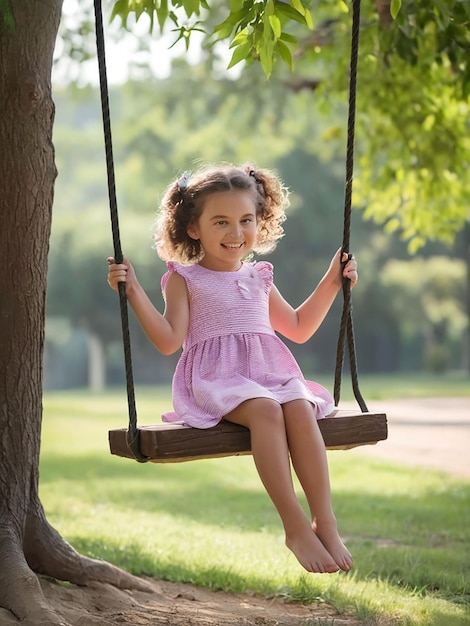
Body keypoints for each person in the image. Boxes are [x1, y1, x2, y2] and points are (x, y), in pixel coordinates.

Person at [107, 163, 358, 574]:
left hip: (267, 373)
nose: (235, 233)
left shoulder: (260, 276)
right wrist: (133, 290)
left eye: (245, 220)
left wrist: (333, 282)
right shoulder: (184, 279)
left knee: (297, 403)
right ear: (193, 228)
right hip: (216, 379)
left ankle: (323, 521)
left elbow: (297, 327)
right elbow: (170, 340)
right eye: (220, 222)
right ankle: (294, 525)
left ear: (260, 223)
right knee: (264, 409)